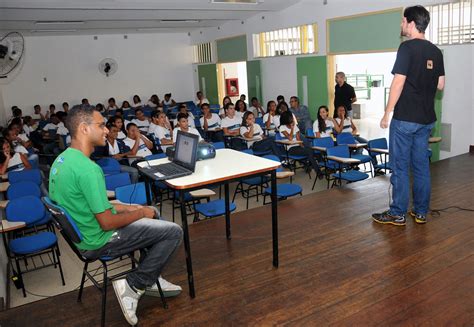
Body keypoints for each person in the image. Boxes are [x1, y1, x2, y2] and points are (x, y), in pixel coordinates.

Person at [49, 104, 182, 325]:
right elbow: (107, 222)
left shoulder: (61, 161)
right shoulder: (89, 169)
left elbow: (90, 205)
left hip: (84, 231)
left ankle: (151, 274)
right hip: (99, 240)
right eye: (101, 125)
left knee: (154, 211)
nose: (106, 130)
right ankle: (135, 283)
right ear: (84, 128)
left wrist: (131, 209)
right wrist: (139, 212)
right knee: (174, 232)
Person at [373, 6, 445, 226]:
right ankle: (421, 212)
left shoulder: (406, 48)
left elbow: (398, 82)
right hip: (426, 120)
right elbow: (441, 85)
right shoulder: (436, 51)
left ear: (412, 23)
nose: (401, 25)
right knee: (421, 167)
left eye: (403, 21)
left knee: (401, 167)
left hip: (405, 119)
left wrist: (387, 113)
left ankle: (397, 213)